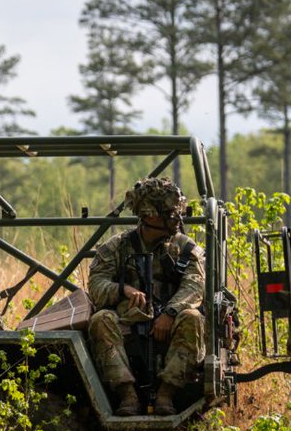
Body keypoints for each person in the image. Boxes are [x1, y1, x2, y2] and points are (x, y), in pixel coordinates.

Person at [86, 177, 204, 416]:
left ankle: (166, 394)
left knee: (192, 317)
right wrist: (123, 289)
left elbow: (195, 285)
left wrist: (170, 313)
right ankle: (127, 395)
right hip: (127, 323)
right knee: (101, 319)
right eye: (170, 213)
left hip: (170, 323)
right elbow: (96, 285)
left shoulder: (185, 248)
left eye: (177, 211)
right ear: (150, 216)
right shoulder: (117, 247)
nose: (177, 218)